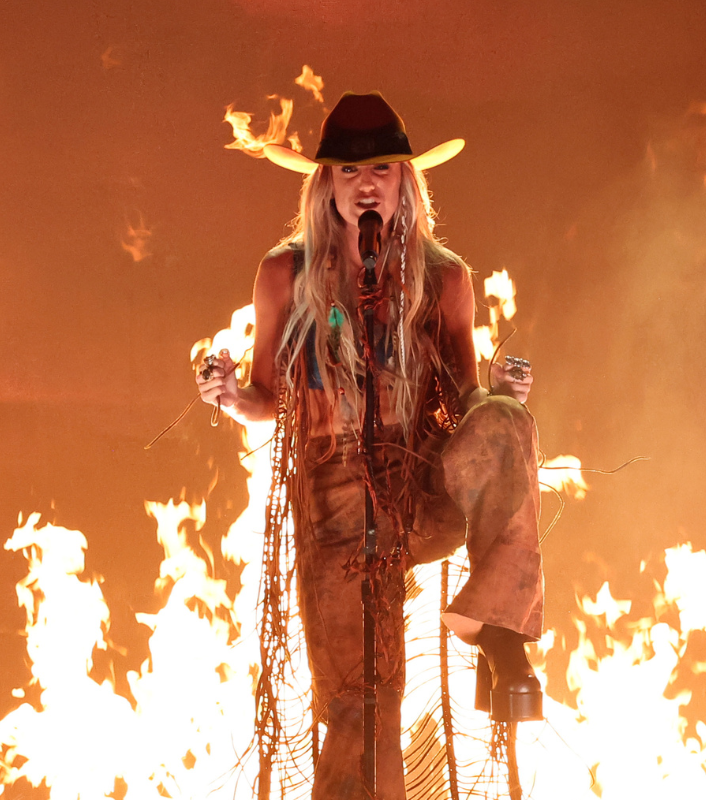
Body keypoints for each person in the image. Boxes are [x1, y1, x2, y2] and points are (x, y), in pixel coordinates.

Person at [195, 92, 544, 800]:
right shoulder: (284, 276)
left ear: (405, 180)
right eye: (347, 169)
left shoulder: (445, 279)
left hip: (419, 486)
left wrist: (501, 396)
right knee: (364, 699)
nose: (365, 183)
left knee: (506, 421)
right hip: (333, 503)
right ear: (324, 182)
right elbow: (269, 397)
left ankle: (503, 634)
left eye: (381, 168)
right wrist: (231, 396)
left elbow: (461, 403)